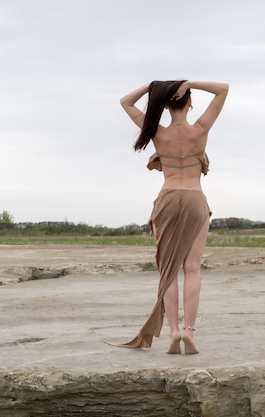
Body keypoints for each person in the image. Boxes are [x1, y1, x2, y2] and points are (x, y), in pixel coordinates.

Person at [107, 80, 229, 354]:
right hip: (195, 199)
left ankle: (173, 331)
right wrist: (188, 83)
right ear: (189, 103)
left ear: (165, 105)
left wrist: (153, 87)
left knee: (169, 271)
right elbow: (223, 89)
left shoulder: (157, 133)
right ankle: (189, 332)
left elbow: (126, 101)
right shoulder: (200, 130)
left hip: (168, 199)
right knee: (193, 269)